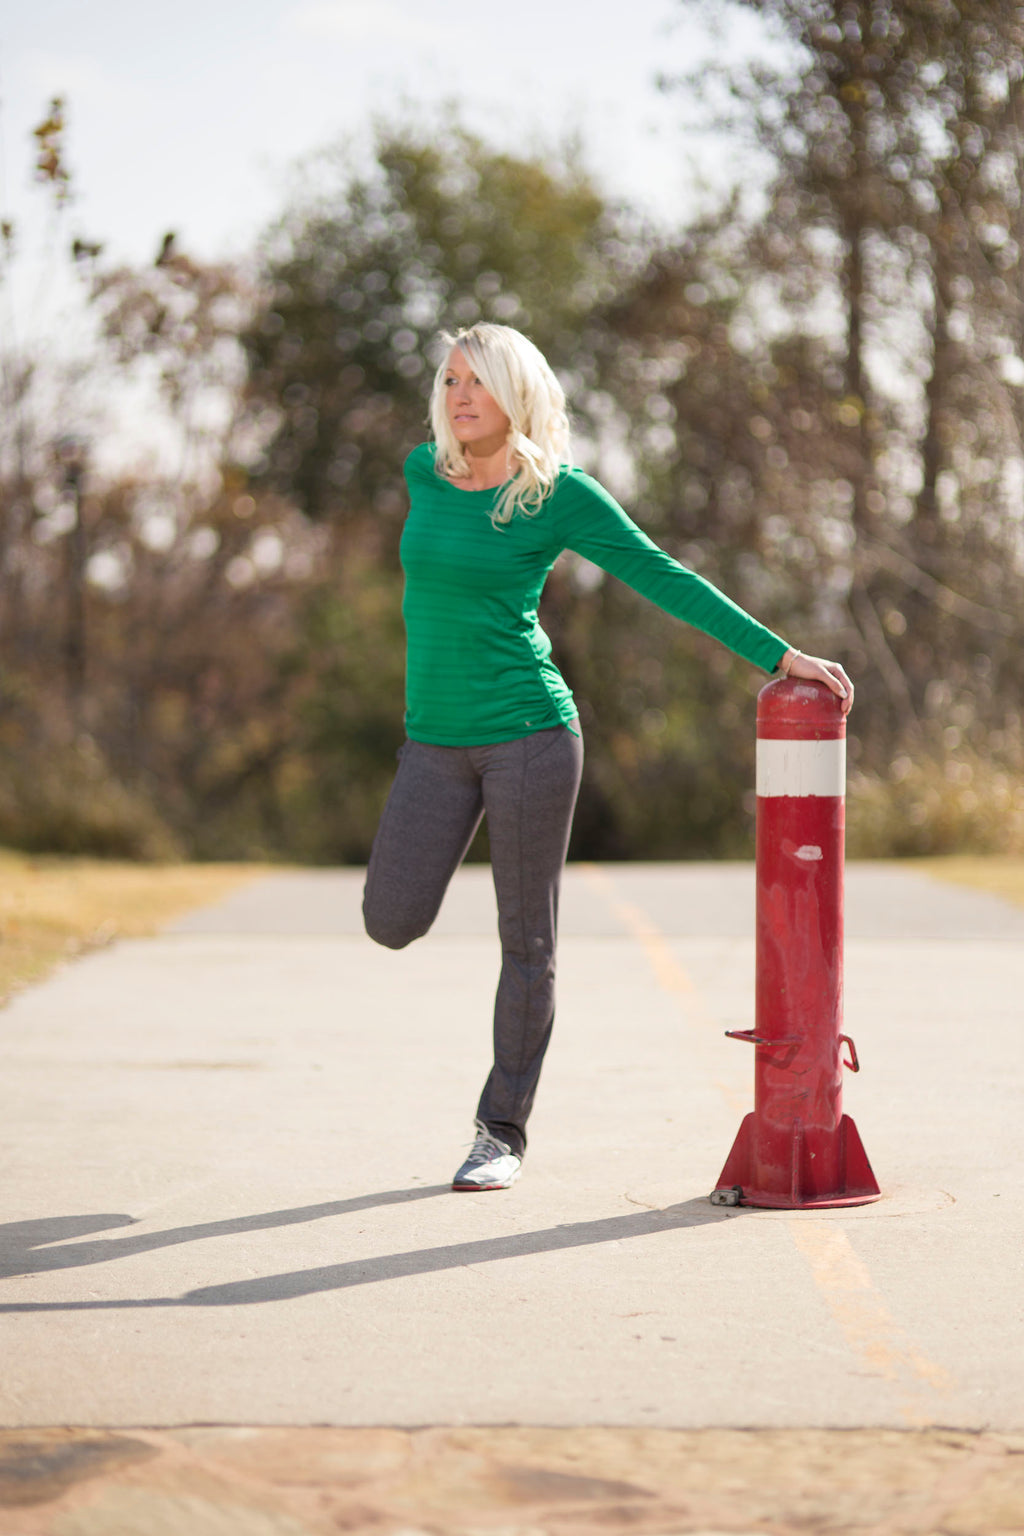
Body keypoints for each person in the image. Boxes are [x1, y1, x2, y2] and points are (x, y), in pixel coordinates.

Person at [363, 321, 853, 1193]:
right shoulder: (422, 474)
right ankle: (500, 1120)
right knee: (390, 917)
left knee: (527, 942)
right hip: (435, 742)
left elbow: (665, 576)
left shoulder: (560, 494)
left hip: (529, 737)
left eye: (477, 380)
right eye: (449, 381)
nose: (459, 396)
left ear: (516, 392)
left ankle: (500, 1131)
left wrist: (782, 657)